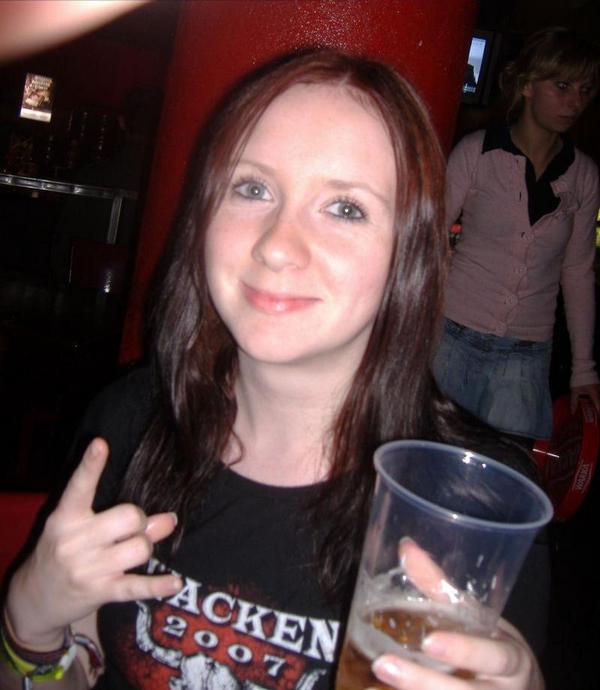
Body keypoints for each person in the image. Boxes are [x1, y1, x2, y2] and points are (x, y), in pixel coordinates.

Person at [0, 49, 545, 690]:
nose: (278, 246)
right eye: (252, 188)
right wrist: (27, 625)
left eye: (345, 207)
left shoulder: (477, 506)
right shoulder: (127, 422)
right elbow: (73, 668)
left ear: (410, 252)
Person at [433, 27, 600, 441]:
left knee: (504, 472)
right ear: (527, 86)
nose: (575, 102)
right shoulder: (477, 152)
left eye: (584, 90)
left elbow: (578, 271)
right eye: (562, 86)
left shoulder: (584, 175)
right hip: (451, 338)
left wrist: (583, 369)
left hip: (526, 357)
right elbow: (429, 238)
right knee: (429, 462)